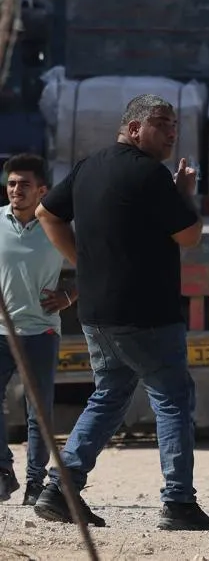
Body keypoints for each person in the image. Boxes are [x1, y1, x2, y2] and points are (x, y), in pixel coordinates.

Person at [33, 94, 209, 531]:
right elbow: (189, 237)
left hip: (98, 312)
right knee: (172, 398)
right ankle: (178, 502)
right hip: (146, 313)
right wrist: (184, 195)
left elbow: (46, 214)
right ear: (134, 128)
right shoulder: (150, 174)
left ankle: (60, 488)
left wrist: (83, 262)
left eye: (174, 124)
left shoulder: (88, 165)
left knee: (110, 394)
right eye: (161, 123)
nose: (172, 131)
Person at [0, 154, 74, 506]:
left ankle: (35, 483)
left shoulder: (54, 226)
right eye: (12, 183)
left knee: (38, 411)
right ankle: (3, 471)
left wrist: (68, 296)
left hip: (41, 331)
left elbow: (95, 264)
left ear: (42, 190)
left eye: (24, 184)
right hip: (0, 332)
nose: (16, 190)